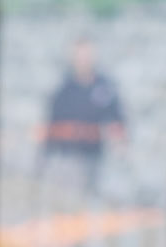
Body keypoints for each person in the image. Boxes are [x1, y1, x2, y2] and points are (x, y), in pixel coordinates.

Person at [38, 38, 126, 196]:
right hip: (67, 158)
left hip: (95, 156)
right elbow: (52, 124)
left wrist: (119, 143)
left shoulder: (104, 87)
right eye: (80, 55)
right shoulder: (63, 89)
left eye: (87, 55)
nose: (84, 60)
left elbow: (116, 119)